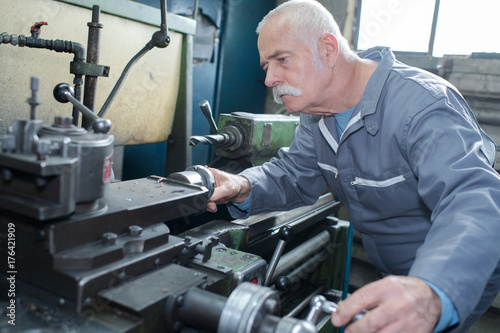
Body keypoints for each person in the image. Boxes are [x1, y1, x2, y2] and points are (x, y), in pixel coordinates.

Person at [206, 0, 500, 332]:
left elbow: (473, 199)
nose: (270, 79)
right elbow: (294, 175)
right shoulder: (317, 115)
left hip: (449, 277)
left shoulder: (424, 104)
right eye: (266, 67)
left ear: (328, 49)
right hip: (394, 274)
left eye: (282, 60)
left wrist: (432, 291)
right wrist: (240, 185)